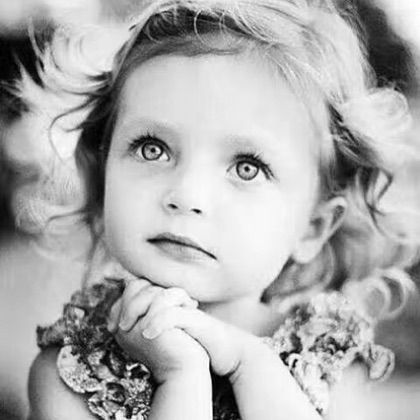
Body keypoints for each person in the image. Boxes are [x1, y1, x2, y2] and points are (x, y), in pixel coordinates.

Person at [27, 0, 419, 419]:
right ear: (104, 170)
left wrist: (248, 363)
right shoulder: (70, 372)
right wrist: (182, 377)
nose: (187, 196)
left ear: (313, 228)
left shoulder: (328, 363)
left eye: (247, 168)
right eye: (152, 148)